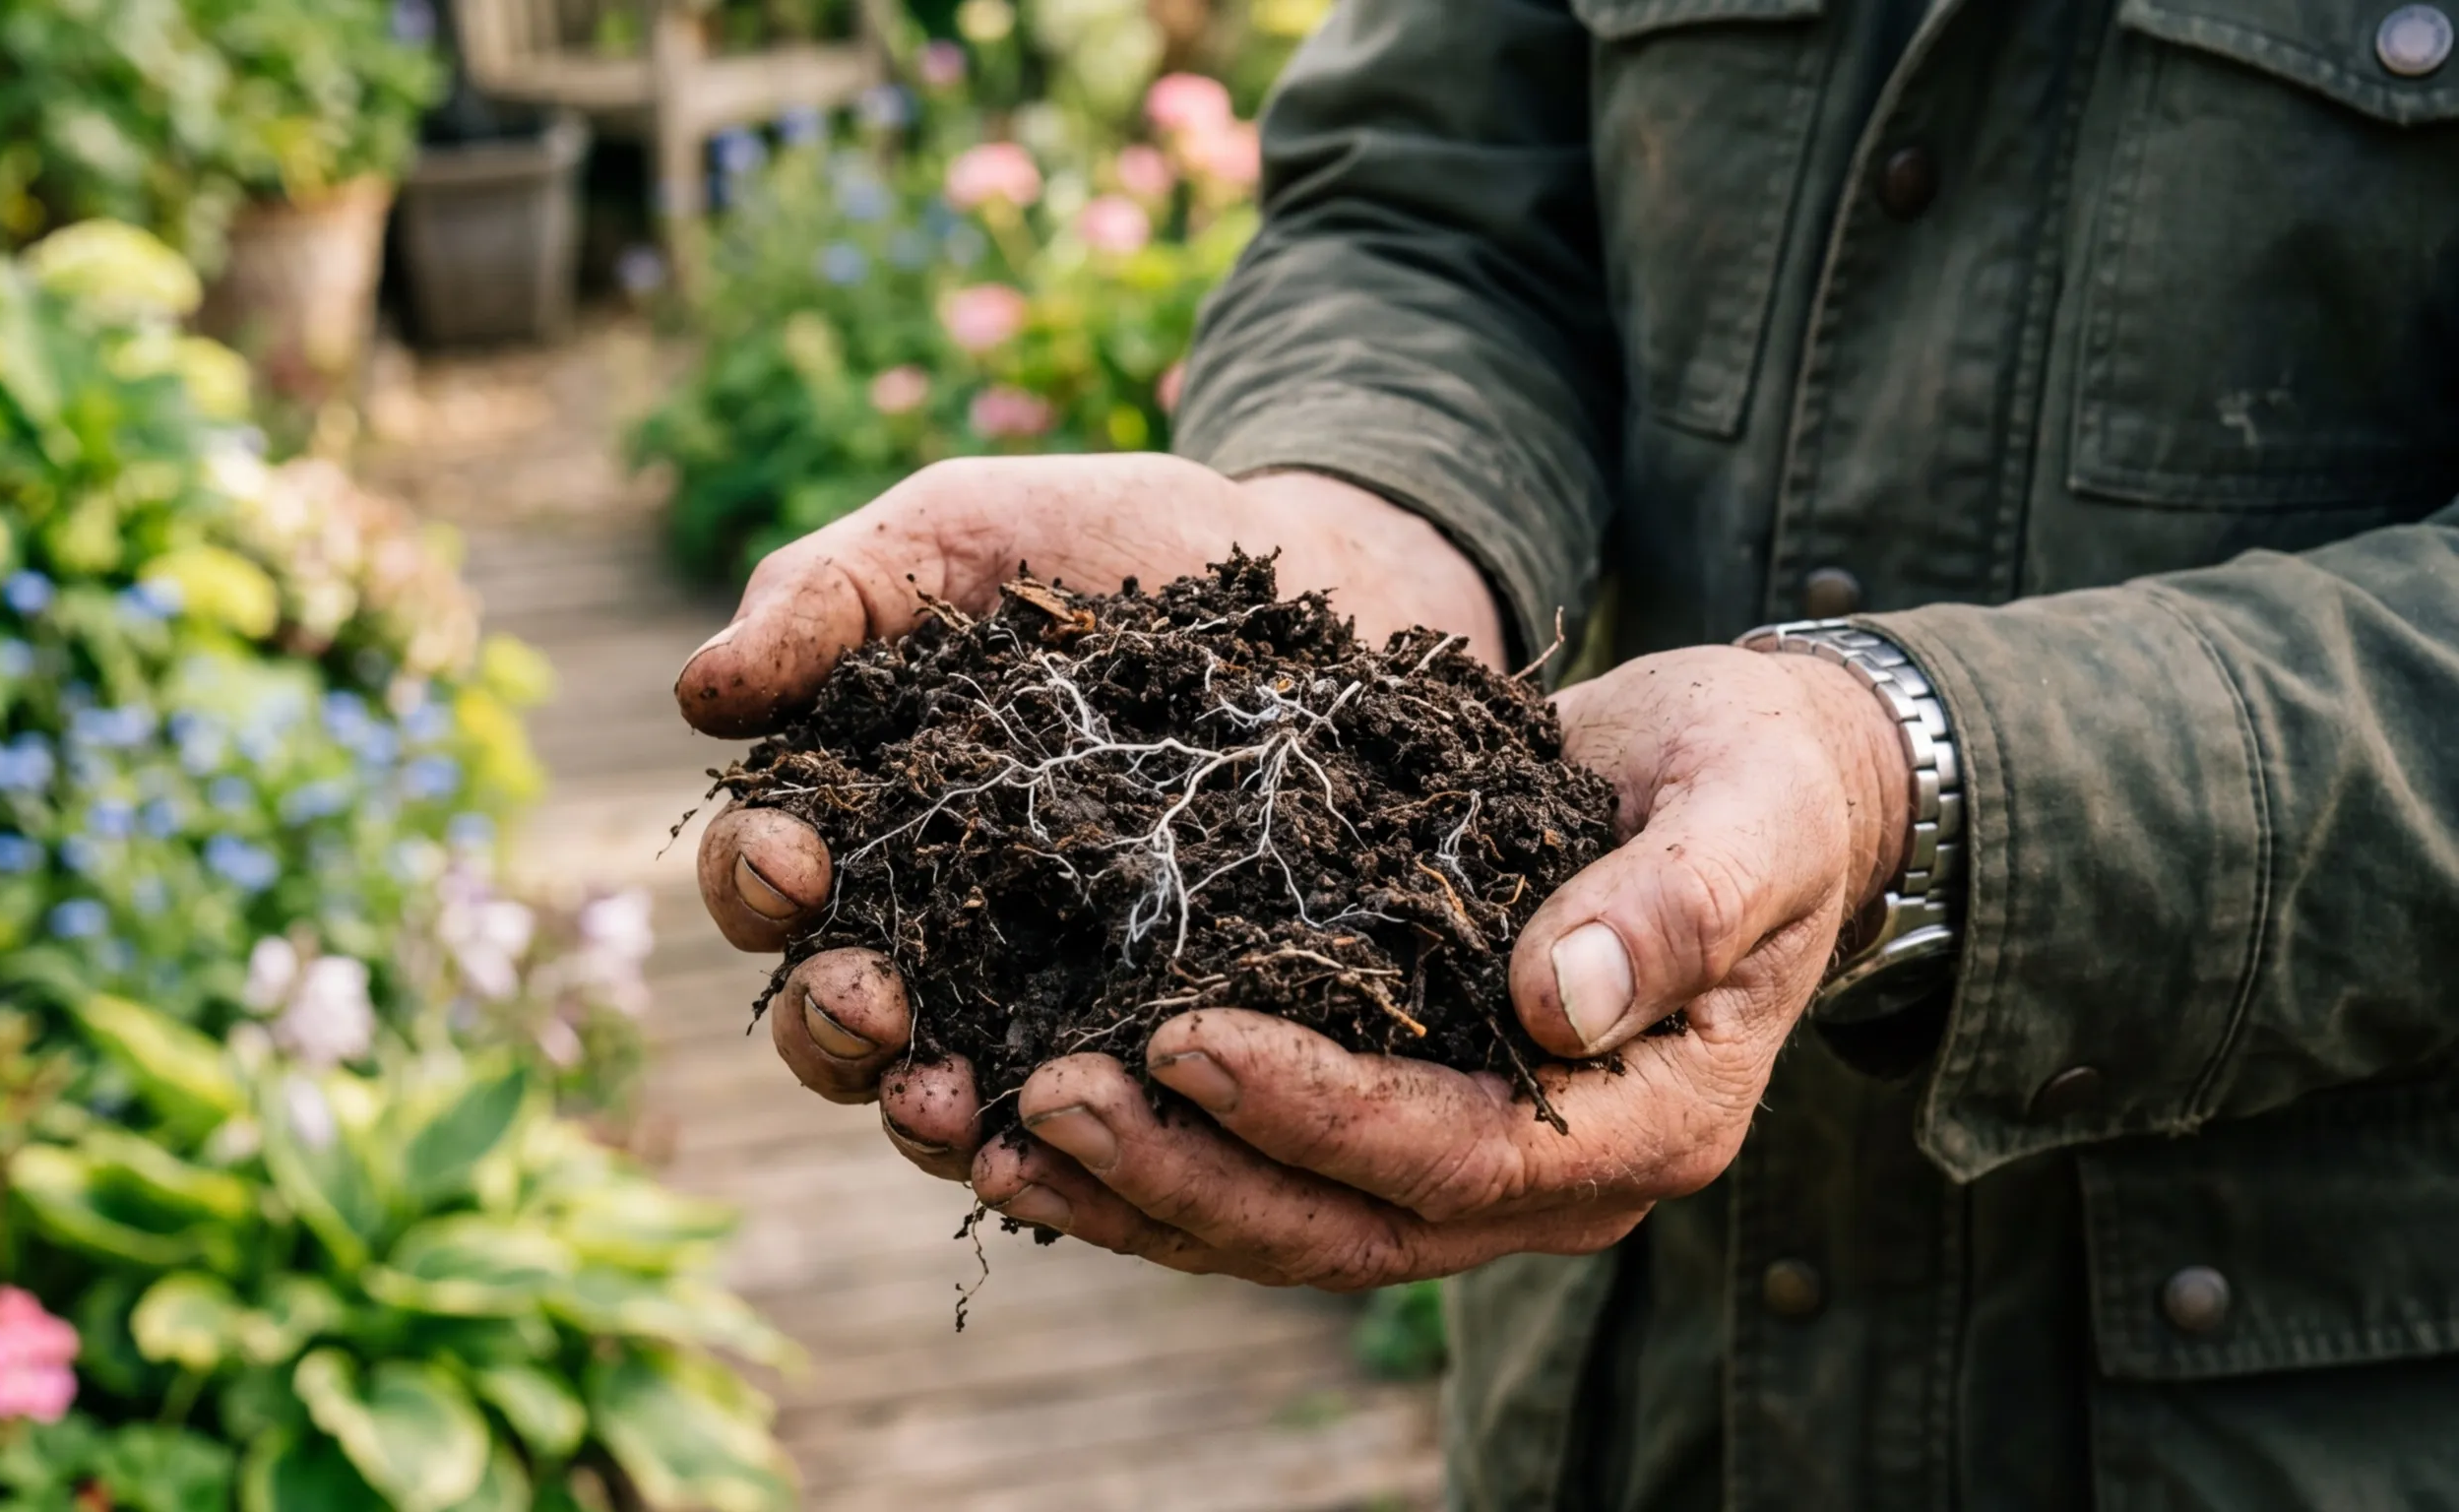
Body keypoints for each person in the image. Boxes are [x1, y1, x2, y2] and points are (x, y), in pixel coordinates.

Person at [676, 0, 2459, 1505]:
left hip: (2271, 1406)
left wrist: (1911, 772)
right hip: (1631, 1398)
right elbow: (1435, 206)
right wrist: (1353, 522)